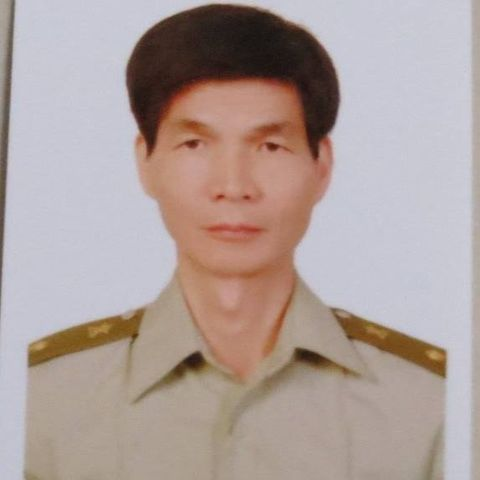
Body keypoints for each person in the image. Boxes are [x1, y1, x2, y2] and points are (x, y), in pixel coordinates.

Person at [24, 4, 446, 479]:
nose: (233, 185)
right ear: (145, 162)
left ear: (321, 166)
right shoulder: (42, 402)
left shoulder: (430, 407)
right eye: (195, 144)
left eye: (270, 146)